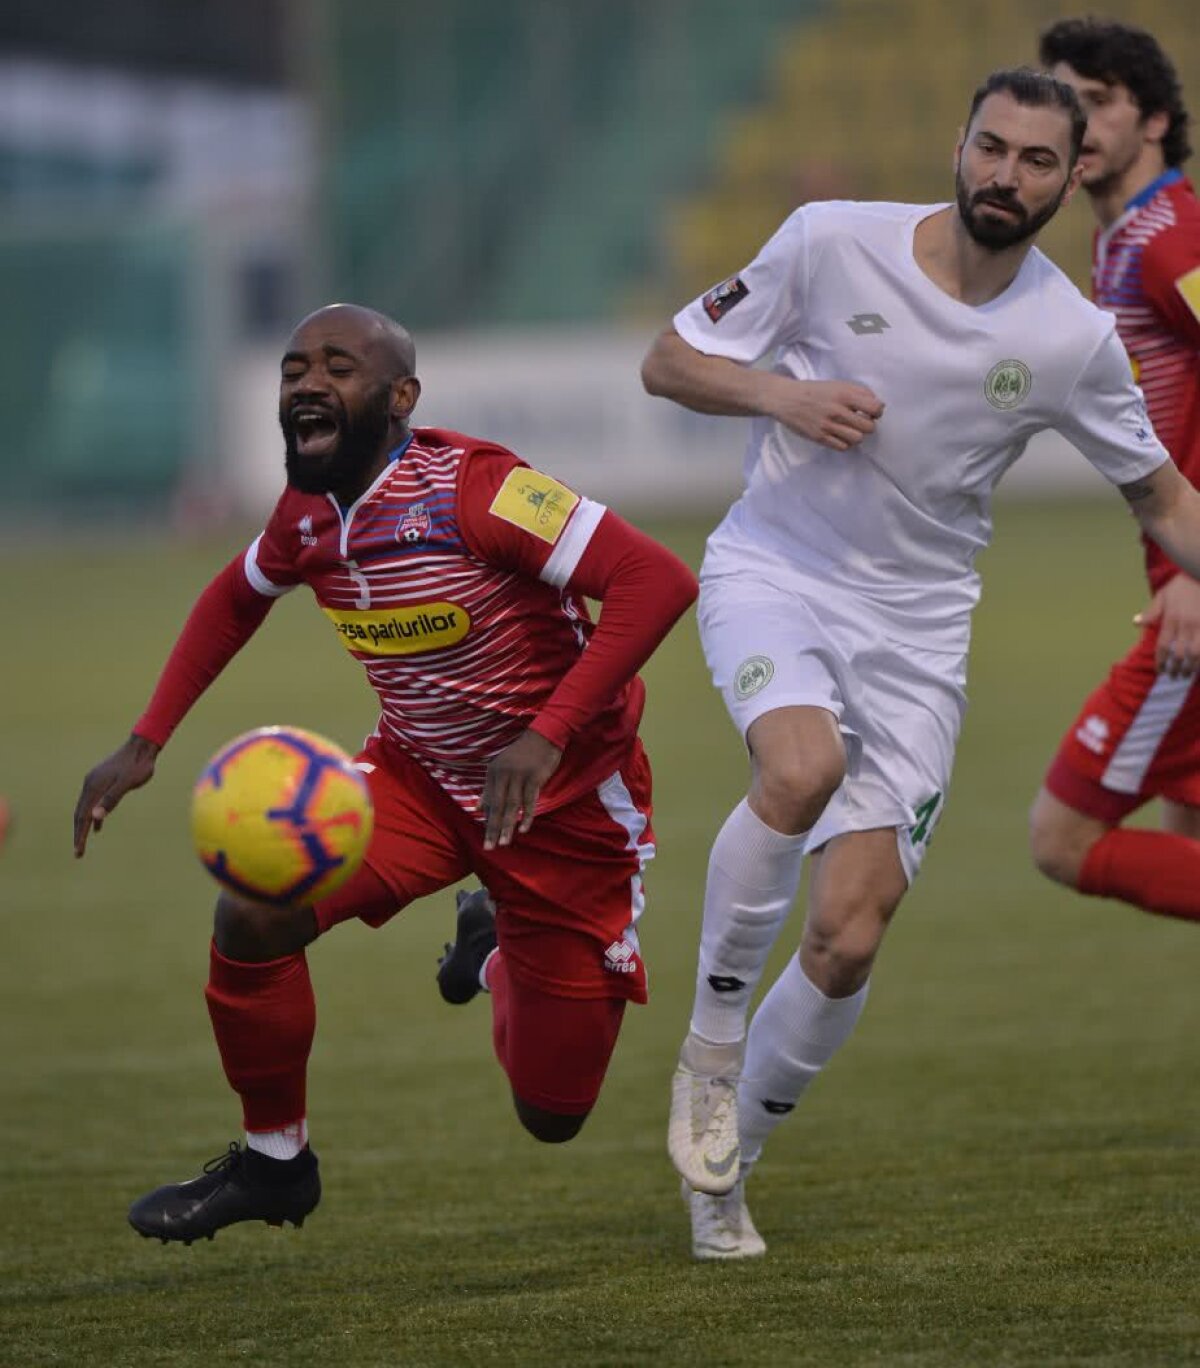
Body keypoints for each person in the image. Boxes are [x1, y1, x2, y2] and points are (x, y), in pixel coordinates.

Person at [640, 67, 1200, 1262]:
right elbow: (670, 360)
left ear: (1070, 178)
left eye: (1036, 160)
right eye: (991, 146)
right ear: (959, 142)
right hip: (776, 572)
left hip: (918, 634)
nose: (1005, 174)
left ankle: (726, 1164)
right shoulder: (829, 241)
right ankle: (710, 1052)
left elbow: (1161, 495)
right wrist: (783, 396)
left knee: (849, 934)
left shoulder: (1071, 337)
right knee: (799, 767)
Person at [73, 302, 698, 1244]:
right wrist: (147, 739)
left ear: (402, 397)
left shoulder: (482, 489)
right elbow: (235, 597)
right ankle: (275, 1163)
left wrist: (546, 735)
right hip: (418, 781)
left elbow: (658, 580)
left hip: (561, 808)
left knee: (553, 1111)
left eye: (339, 367)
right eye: (293, 369)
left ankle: (494, 948)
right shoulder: (305, 515)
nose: (308, 384)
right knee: (254, 907)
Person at [1029, 18, 1200, 922]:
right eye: (1066, 104)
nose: (1079, 124)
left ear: (1157, 121)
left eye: (1099, 103)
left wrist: (1191, 576)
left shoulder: (1173, 243)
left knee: (1063, 838)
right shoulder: (1121, 240)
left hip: (1193, 586)